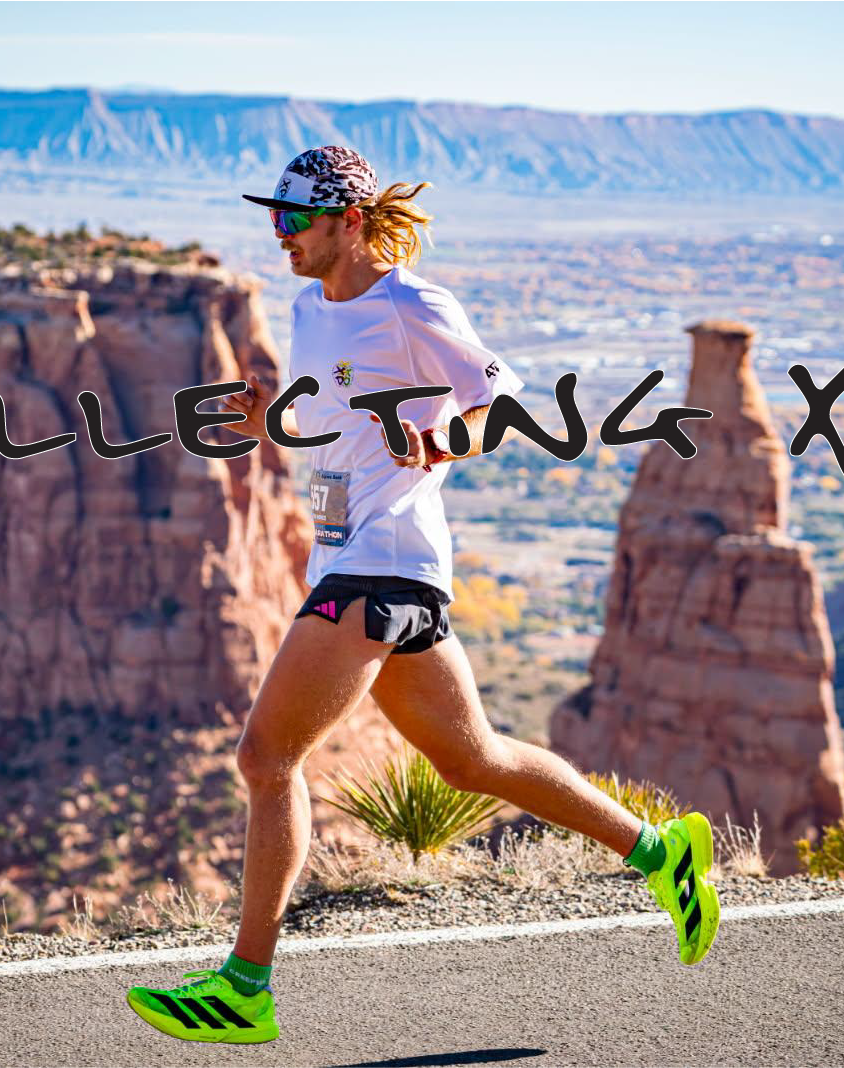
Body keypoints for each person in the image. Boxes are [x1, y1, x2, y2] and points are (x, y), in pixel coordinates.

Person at [126, 146, 719, 1046]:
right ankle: (659, 848)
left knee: (265, 758)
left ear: (348, 221)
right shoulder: (306, 305)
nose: (277, 236)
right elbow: (329, 430)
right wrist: (266, 419)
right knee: (472, 760)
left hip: (386, 559)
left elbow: (501, 402)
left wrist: (444, 438)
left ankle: (245, 986)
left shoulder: (411, 303)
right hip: (349, 558)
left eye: (292, 220)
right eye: (272, 220)